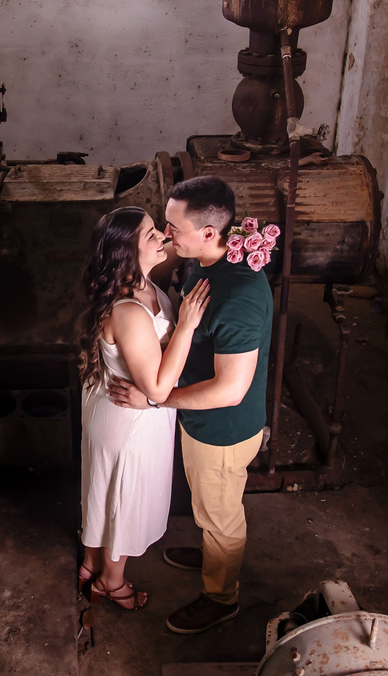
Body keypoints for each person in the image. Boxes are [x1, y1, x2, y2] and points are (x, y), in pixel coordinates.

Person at [107, 175, 272, 634]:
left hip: (223, 426)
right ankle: (214, 555)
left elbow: (229, 390)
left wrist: (156, 401)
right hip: (200, 415)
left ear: (208, 233)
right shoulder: (204, 257)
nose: (165, 234)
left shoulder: (237, 296)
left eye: (172, 227)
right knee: (208, 502)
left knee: (220, 512)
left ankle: (222, 597)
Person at [76, 206, 211, 609]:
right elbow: (156, 385)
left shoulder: (147, 286)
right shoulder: (130, 310)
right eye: (150, 235)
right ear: (126, 252)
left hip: (121, 410)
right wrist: (185, 327)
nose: (162, 237)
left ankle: (90, 561)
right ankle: (111, 582)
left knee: (105, 490)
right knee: (124, 499)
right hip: (130, 423)